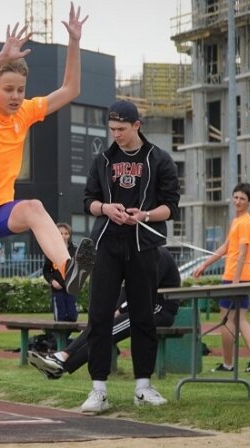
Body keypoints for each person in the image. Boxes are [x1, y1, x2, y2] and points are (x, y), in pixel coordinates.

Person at [0, 3, 94, 327]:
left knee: (34, 208)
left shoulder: (26, 111)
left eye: (21, 90)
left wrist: (74, 42)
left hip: (0, 211)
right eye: (8, 90)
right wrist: (0, 58)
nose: (15, 96)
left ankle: (69, 269)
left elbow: (71, 90)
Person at [79, 99, 180, 414]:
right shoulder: (102, 160)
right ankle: (98, 390)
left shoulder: (160, 159)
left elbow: (170, 207)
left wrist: (145, 215)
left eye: (121, 129)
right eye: (112, 129)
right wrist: (106, 208)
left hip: (144, 246)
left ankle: (143, 386)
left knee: (142, 317)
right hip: (107, 243)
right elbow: (89, 202)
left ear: (137, 125)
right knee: (99, 315)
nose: (116, 135)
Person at [29, 246, 180, 379]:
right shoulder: (134, 254)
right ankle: (62, 357)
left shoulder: (156, 256)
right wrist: (111, 310)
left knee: (105, 333)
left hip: (158, 309)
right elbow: (126, 289)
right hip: (140, 306)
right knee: (100, 323)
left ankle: (61, 364)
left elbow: (144, 292)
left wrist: (120, 310)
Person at [192, 183, 250, 374]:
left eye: (242, 199)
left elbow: (242, 253)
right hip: (235, 276)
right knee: (234, 319)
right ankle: (239, 361)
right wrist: (204, 265)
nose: (238, 201)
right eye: (236, 197)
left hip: (237, 277)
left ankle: (245, 359)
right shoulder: (236, 221)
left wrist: (236, 282)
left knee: (231, 320)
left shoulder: (246, 222)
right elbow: (225, 247)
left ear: (249, 202)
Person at [42, 223, 79, 323]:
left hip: (70, 288)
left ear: (69, 235)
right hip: (57, 289)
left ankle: (67, 338)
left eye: (66, 233)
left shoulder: (75, 250)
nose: (63, 236)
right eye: (60, 233)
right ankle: (58, 338)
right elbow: (46, 270)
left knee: (72, 316)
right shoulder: (51, 250)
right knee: (60, 317)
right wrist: (52, 281)